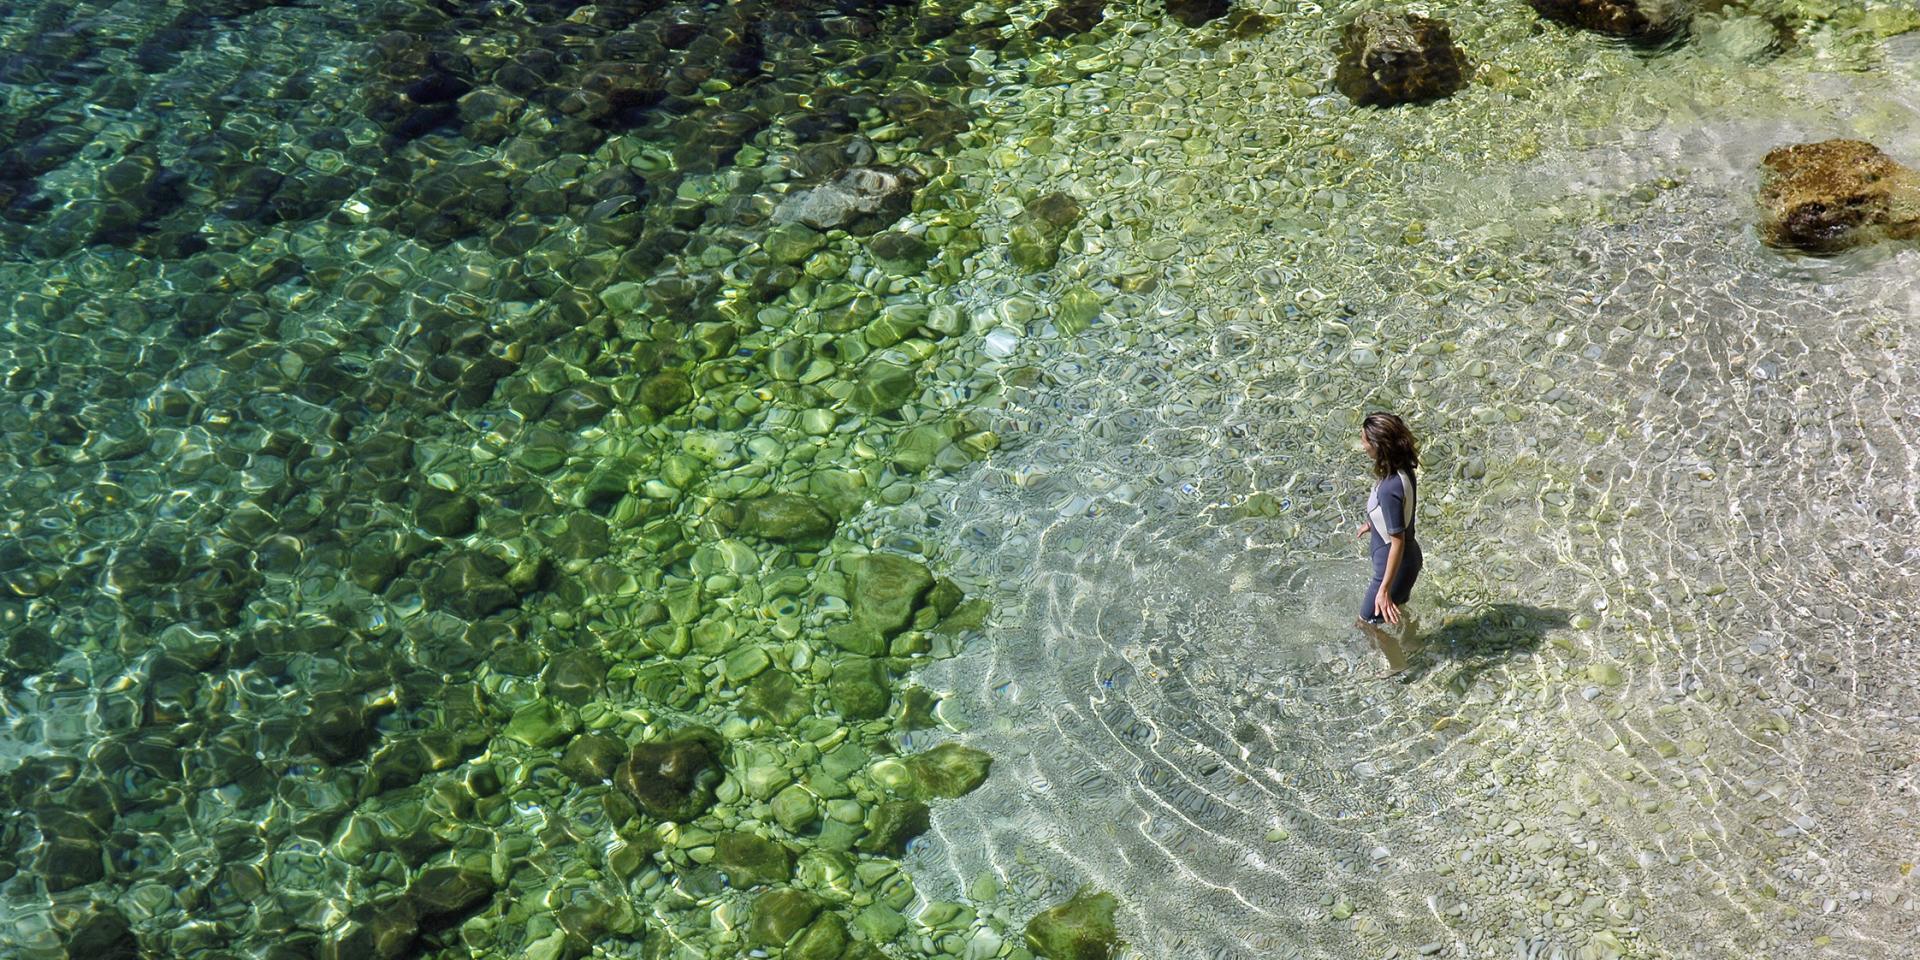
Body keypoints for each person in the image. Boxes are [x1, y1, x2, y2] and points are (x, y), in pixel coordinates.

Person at [1355, 411, 1422, 629]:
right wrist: (1373, 523)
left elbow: (1397, 541)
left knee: (1367, 625)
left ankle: (1399, 664)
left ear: (1377, 445)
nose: (1362, 445)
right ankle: (1413, 646)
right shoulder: (1403, 471)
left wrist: (1384, 589)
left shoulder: (1389, 488)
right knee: (1395, 614)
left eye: (1364, 440)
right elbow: (1402, 511)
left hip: (1393, 569)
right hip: (1409, 561)